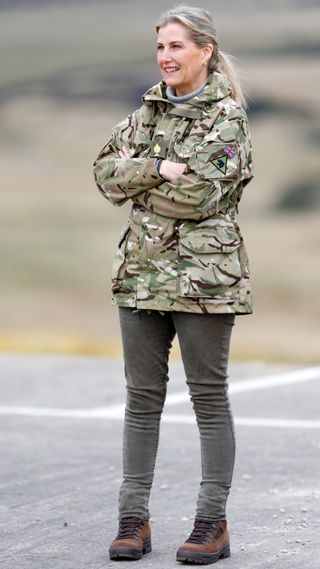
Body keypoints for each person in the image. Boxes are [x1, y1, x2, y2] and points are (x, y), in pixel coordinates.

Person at [93, 4, 253, 565]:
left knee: (208, 400)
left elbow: (197, 197)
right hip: (139, 276)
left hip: (206, 280)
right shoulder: (145, 112)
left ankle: (212, 524)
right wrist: (161, 169)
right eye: (160, 46)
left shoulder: (226, 118)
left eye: (177, 46)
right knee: (141, 401)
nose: (165, 57)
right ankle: (132, 520)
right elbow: (102, 173)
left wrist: (139, 176)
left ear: (205, 50)